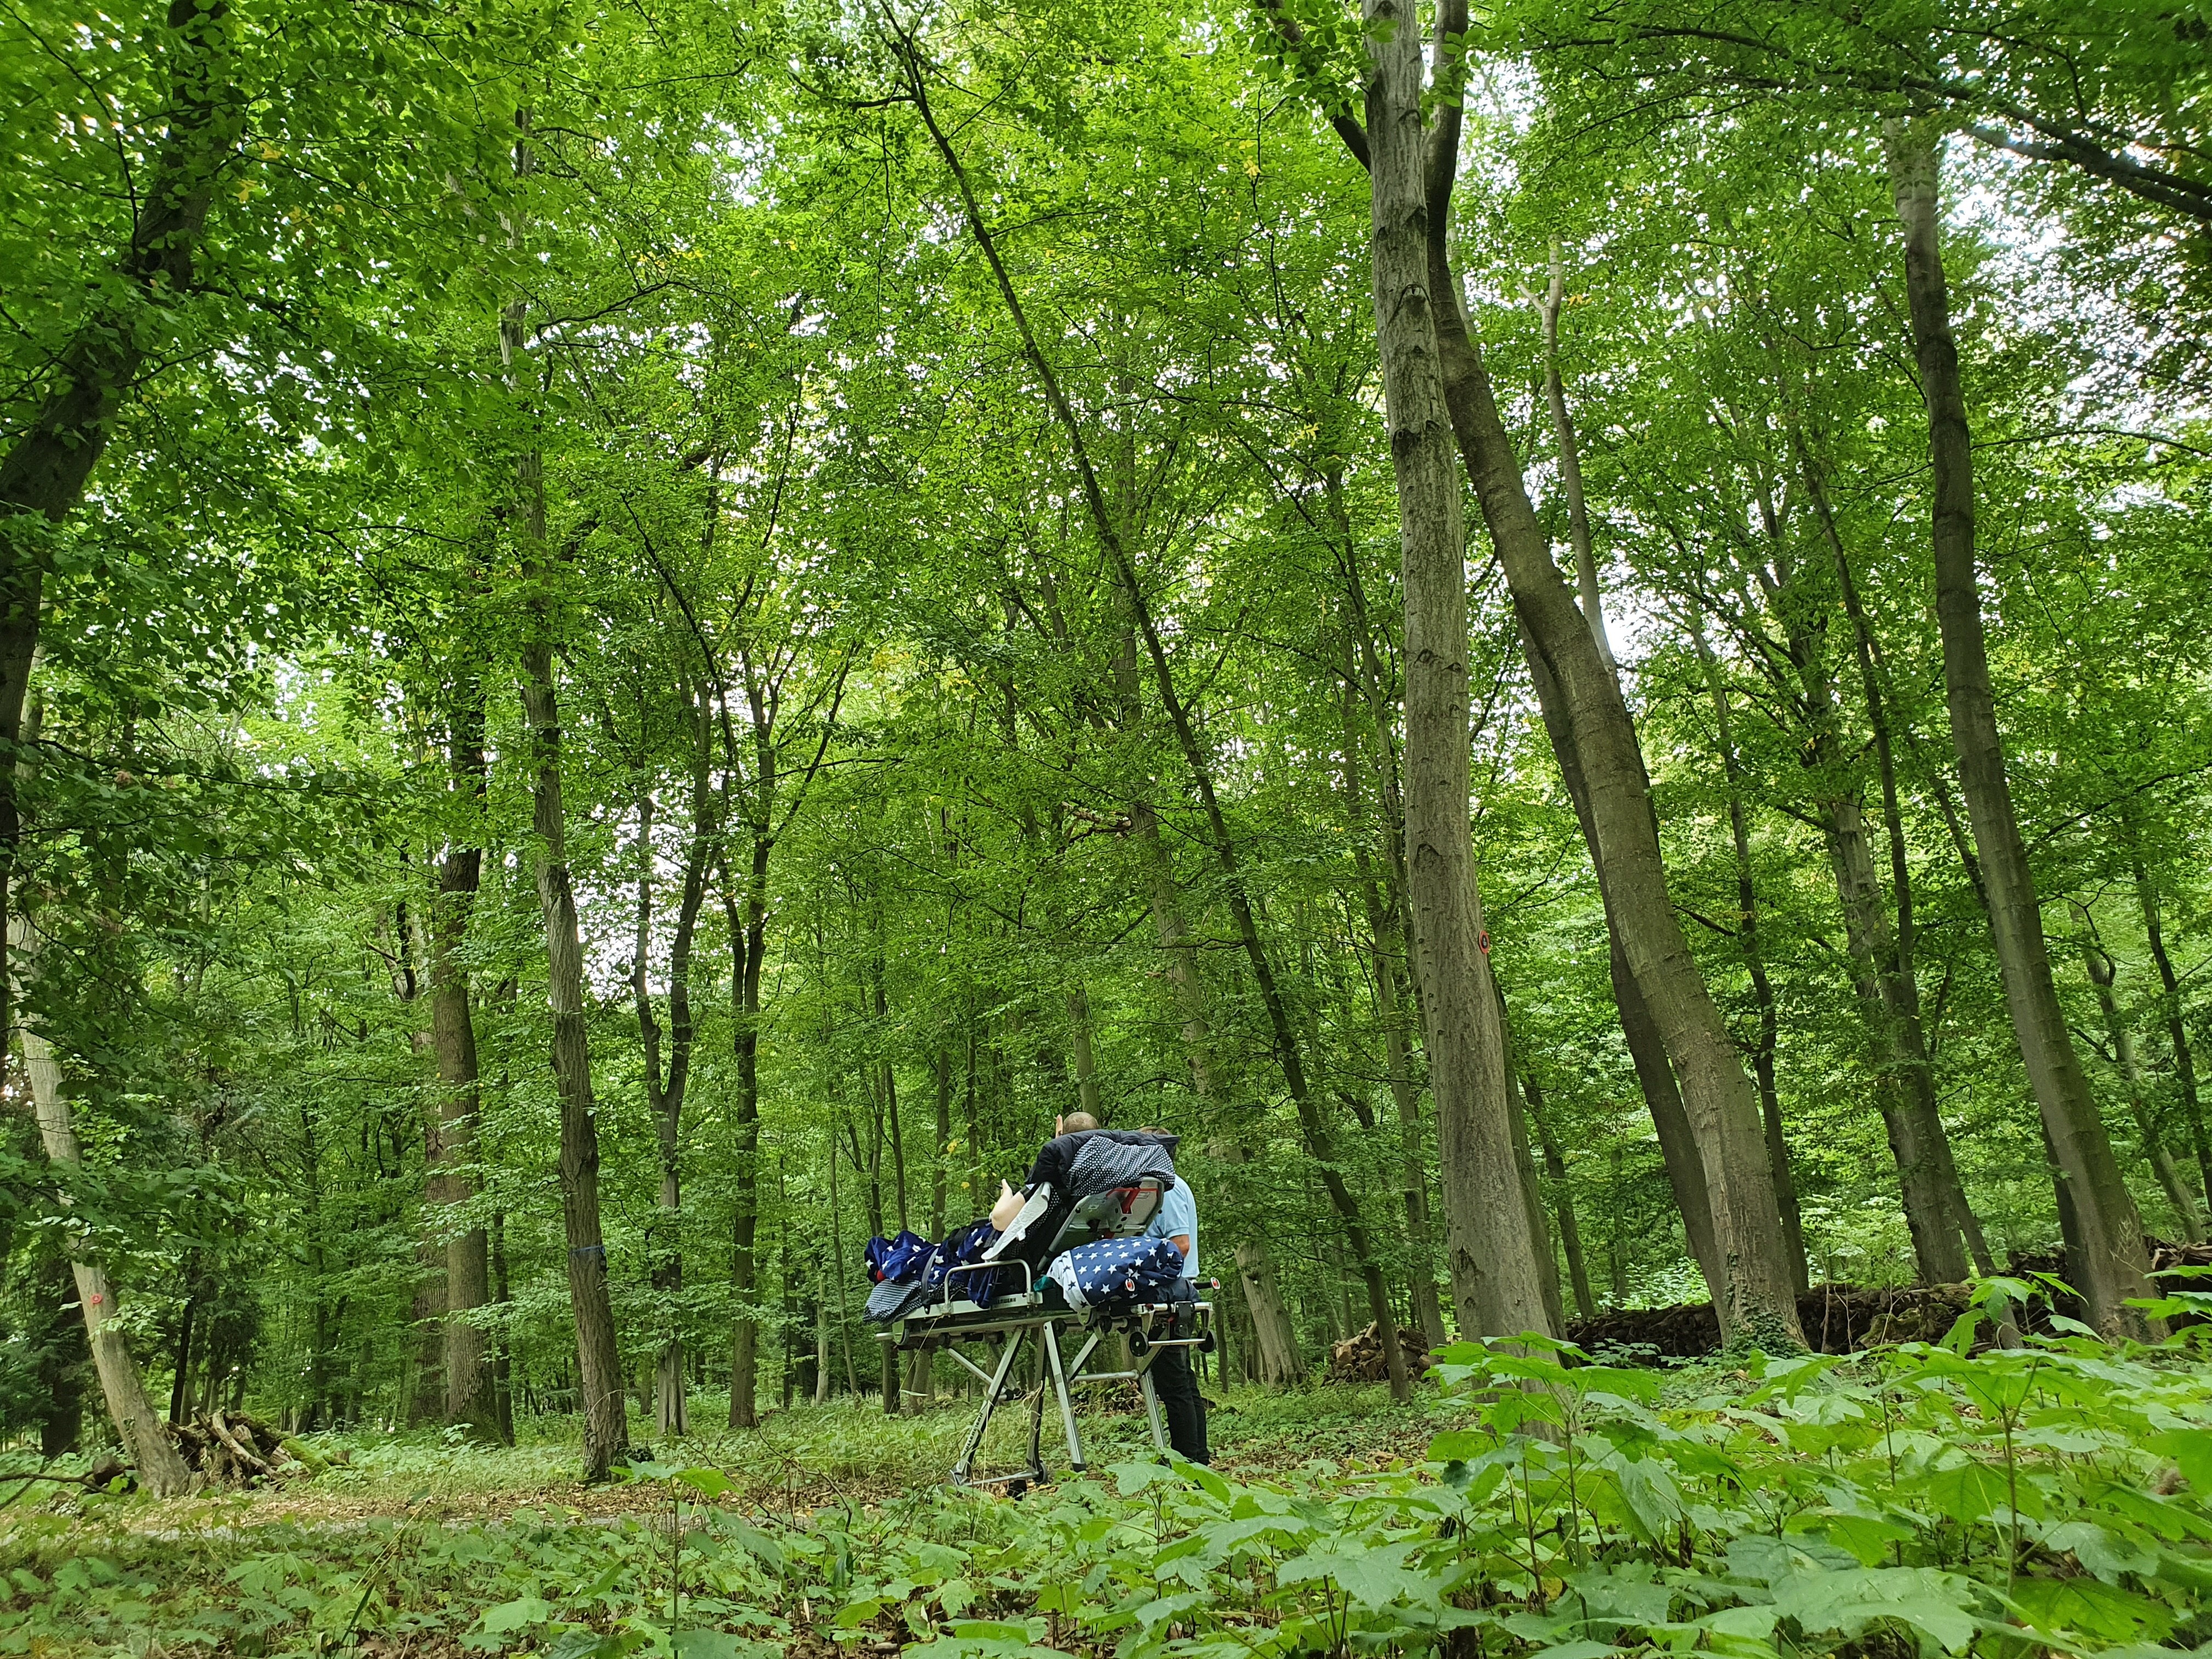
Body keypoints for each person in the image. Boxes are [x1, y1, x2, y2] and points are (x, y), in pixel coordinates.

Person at [1139, 1128, 1208, 1465]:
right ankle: (1198, 1459)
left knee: (1174, 1384)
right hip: (1175, 1291)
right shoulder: (1169, 1186)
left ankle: (1189, 1462)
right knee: (1181, 1380)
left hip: (1170, 1292)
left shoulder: (1164, 1189)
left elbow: (1180, 1244)